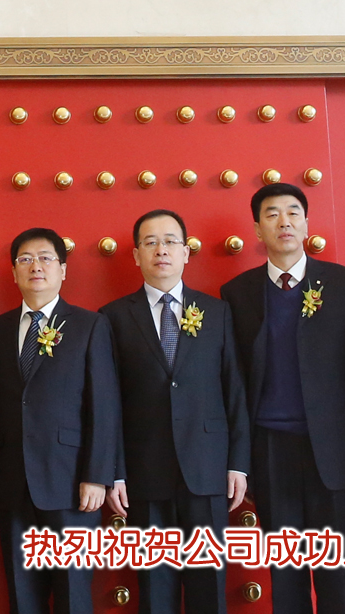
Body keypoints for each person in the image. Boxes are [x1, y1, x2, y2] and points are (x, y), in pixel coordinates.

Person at [218, 184, 345, 614]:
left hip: (331, 450)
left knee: (335, 576)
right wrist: (239, 459)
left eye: (293, 212)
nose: (284, 222)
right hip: (270, 449)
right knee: (285, 576)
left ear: (307, 224)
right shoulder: (237, 293)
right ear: (258, 229)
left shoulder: (344, 284)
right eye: (272, 214)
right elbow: (234, 384)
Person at [100, 209, 250, 614]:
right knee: (155, 591)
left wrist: (238, 463)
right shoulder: (113, 317)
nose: (161, 250)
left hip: (208, 470)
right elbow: (108, 403)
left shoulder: (216, 311)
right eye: (150, 242)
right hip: (144, 474)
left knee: (209, 590)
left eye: (170, 241)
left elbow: (234, 390)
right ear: (136, 255)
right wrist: (114, 471)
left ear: (186, 252)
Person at [0, 228, 120, 614]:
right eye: (26, 259)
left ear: (63, 270)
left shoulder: (89, 326)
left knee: (72, 593)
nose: (36, 267)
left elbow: (104, 405)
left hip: (71, 483)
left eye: (46, 258)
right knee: (22, 595)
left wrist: (97, 475)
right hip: (13, 482)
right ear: (14, 271)